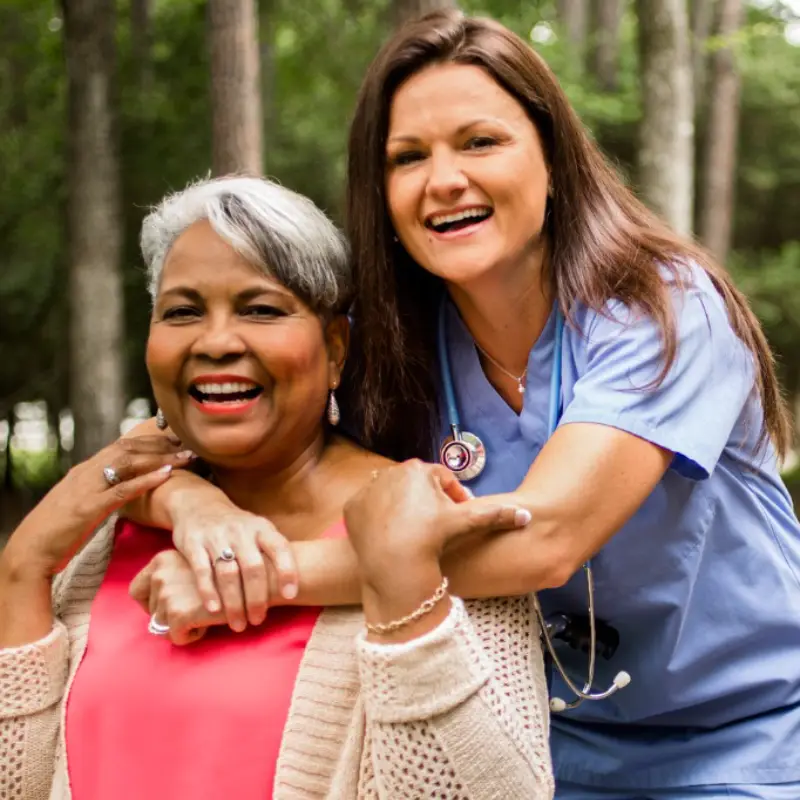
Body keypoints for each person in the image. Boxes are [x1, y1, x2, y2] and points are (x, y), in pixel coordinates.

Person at [127, 11, 800, 800]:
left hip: (751, 741)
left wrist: (246, 580)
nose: (443, 180)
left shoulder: (663, 307)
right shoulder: (390, 350)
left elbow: (544, 539)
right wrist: (196, 507)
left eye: (479, 142)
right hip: (538, 749)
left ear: (552, 157)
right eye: (407, 157)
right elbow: (176, 446)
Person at [0, 175, 556, 799]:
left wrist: (403, 587)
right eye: (182, 311)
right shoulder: (104, 536)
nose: (215, 343)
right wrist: (21, 570)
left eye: (260, 309)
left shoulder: (429, 521)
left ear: (336, 348)